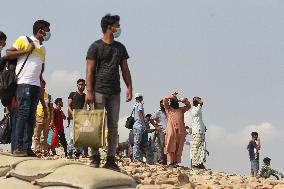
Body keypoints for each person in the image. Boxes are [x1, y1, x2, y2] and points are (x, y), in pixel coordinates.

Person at [85, 14, 133, 170]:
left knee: (113, 127)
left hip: (115, 92)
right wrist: (89, 91)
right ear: (109, 27)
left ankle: (111, 159)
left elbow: (125, 69)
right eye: (117, 25)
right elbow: (90, 71)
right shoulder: (95, 47)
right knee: (96, 125)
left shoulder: (120, 48)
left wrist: (129, 87)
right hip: (98, 91)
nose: (119, 28)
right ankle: (95, 156)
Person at [6, 20, 51, 157]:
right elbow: (8, 53)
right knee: (22, 115)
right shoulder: (23, 40)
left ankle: (27, 147)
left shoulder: (43, 49)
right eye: (47, 30)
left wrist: (41, 79)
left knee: (31, 118)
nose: (48, 33)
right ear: (40, 30)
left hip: (35, 86)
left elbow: (40, 68)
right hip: (23, 83)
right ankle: (18, 146)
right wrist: (26, 50)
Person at [164, 92, 191, 167]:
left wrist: (182, 100)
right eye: (173, 101)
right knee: (170, 144)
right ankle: (171, 162)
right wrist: (172, 96)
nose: (175, 102)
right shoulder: (168, 109)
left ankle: (175, 162)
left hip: (180, 130)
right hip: (171, 130)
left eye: (176, 101)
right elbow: (165, 99)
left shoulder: (181, 109)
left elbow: (188, 106)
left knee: (179, 146)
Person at [67, 79, 88, 158]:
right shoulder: (73, 94)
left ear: (84, 86)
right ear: (77, 85)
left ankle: (78, 152)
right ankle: (69, 152)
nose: (81, 86)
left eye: (82, 85)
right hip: (73, 118)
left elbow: (87, 105)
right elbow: (69, 105)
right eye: (79, 84)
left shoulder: (85, 96)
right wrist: (72, 113)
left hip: (82, 117)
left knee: (81, 136)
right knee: (72, 136)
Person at [33, 80, 53, 156]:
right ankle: (37, 150)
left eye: (43, 85)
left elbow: (51, 109)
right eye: (40, 85)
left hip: (47, 118)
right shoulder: (35, 95)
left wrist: (52, 120)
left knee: (46, 136)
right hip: (37, 117)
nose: (41, 86)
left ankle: (45, 150)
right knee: (36, 135)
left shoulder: (49, 96)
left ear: (44, 85)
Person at [190, 97, 207, 169]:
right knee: (196, 148)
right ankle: (195, 164)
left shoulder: (196, 110)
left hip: (200, 131)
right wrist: (196, 99)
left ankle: (199, 163)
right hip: (198, 132)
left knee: (201, 147)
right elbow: (201, 103)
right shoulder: (195, 109)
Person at [150, 100, 167, 164]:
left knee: (167, 147)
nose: (162, 104)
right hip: (161, 131)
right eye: (161, 103)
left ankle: (165, 161)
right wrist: (156, 127)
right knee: (161, 146)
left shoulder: (168, 111)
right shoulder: (158, 112)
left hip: (169, 131)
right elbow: (151, 119)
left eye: (163, 103)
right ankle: (161, 161)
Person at [132, 93, 146, 162]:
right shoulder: (139, 105)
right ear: (140, 97)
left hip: (135, 126)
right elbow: (140, 114)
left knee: (136, 143)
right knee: (137, 143)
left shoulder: (135, 105)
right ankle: (136, 158)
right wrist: (144, 125)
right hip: (139, 126)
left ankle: (136, 157)